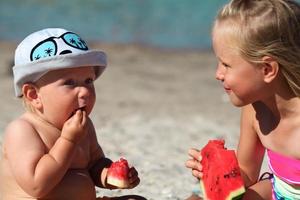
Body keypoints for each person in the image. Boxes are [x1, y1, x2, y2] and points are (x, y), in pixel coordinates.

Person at [0, 28, 144, 200]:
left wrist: (109, 176)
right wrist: (68, 140)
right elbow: (36, 186)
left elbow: (94, 165)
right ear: (34, 95)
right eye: (70, 83)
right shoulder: (23, 130)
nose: (84, 91)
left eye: (88, 81)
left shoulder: (84, 126)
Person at [186, 0, 300, 199]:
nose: (218, 74)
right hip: (277, 190)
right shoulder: (255, 110)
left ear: (267, 69)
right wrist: (215, 173)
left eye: (226, 64)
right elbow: (246, 173)